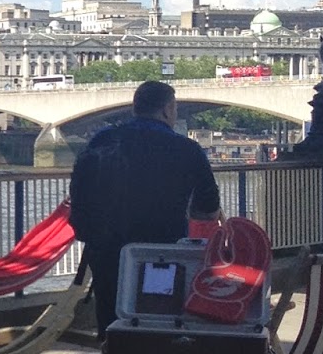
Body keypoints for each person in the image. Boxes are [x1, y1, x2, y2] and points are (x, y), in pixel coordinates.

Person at [69, 80, 221, 337]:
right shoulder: (186, 149)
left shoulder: (102, 141)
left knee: (111, 320)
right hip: (162, 251)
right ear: (167, 109)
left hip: (105, 249)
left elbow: (79, 190)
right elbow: (208, 210)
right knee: (158, 317)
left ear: (135, 108)